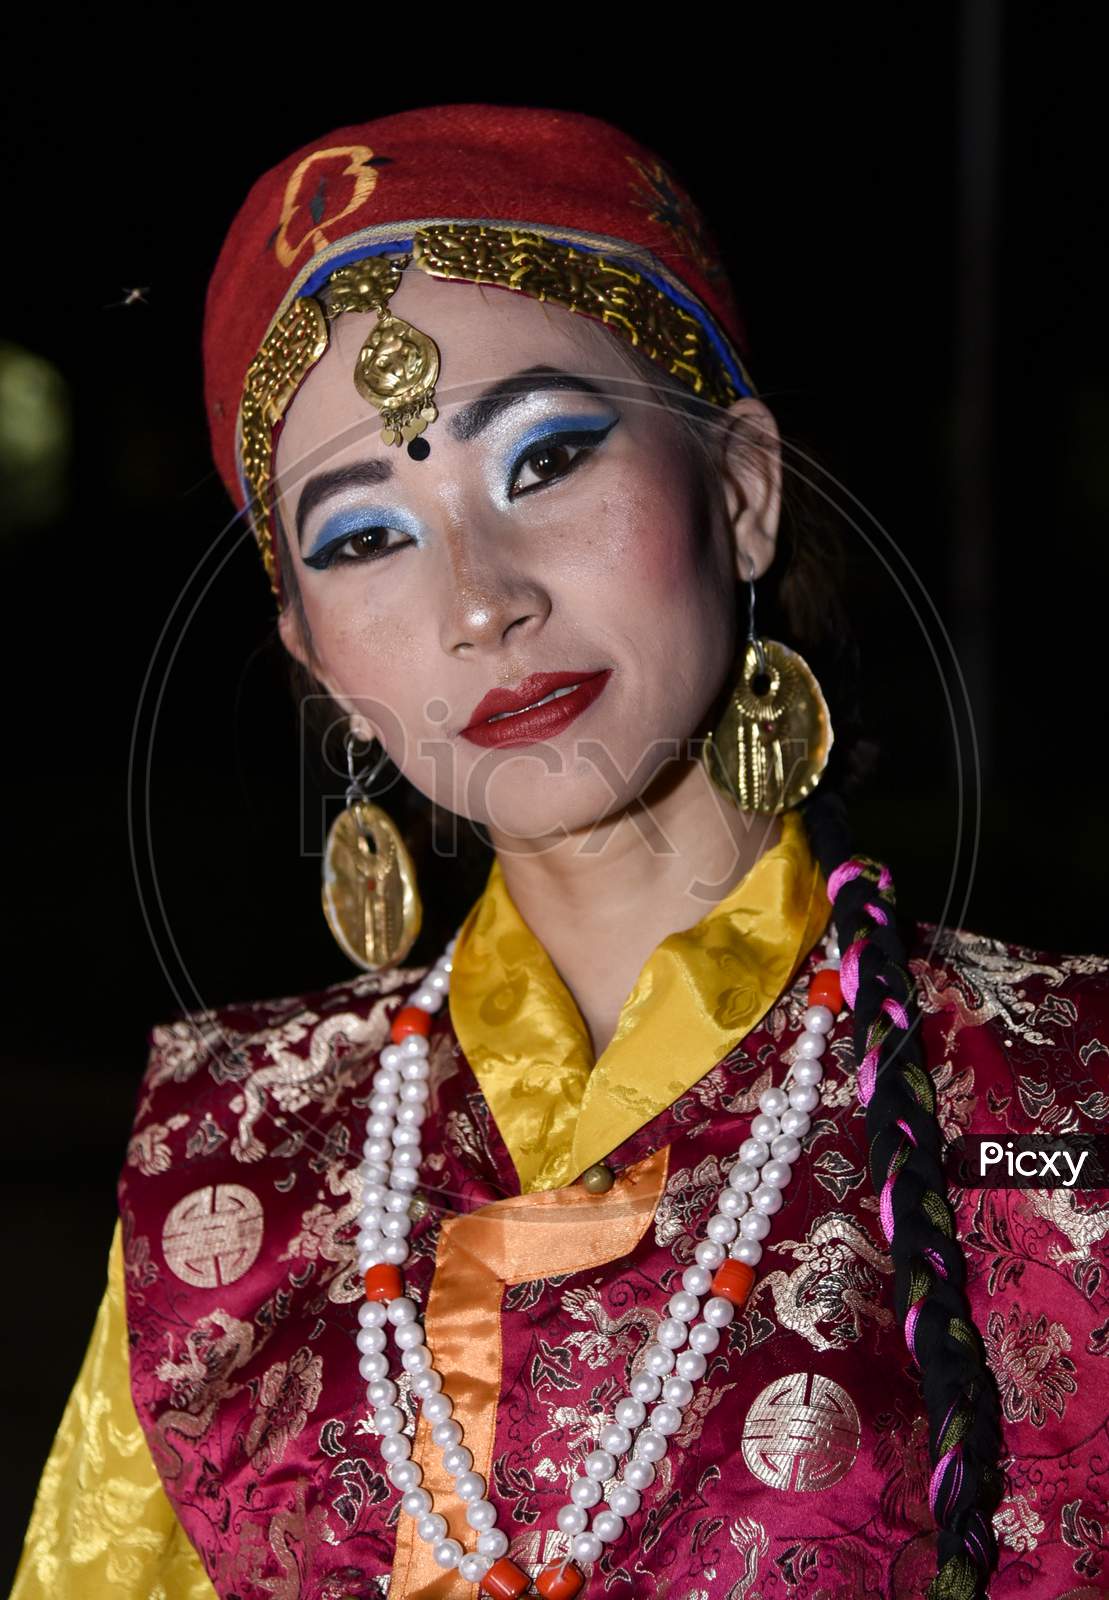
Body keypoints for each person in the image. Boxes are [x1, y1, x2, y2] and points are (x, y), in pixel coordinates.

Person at [11, 103, 1109, 1600]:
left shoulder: (1051, 1108)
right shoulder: (228, 1160)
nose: (478, 600)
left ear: (738, 489)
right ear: (318, 659)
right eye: (359, 538)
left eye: (545, 457)